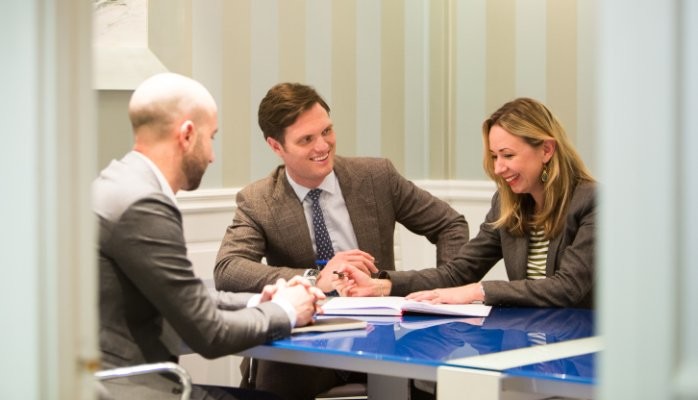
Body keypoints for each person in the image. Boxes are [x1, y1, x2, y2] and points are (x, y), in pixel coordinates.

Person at [213, 82, 469, 400]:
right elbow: (228, 268)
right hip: (308, 338)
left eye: (327, 131)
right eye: (306, 139)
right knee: (276, 373)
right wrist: (313, 280)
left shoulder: (377, 177)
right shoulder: (259, 200)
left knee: (437, 371)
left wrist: (447, 293)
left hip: (383, 332)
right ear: (276, 147)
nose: (323, 146)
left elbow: (450, 225)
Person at [93, 73, 324, 400]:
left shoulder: (118, 182)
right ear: (187, 134)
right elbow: (209, 335)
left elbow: (184, 295)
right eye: (211, 137)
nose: (212, 156)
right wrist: (286, 311)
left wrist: (259, 300)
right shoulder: (143, 204)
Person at [336, 97, 596, 309]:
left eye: (508, 155)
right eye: (494, 156)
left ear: (547, 150)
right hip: (530, 336)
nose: (498, 168)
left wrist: (477, 291)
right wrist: (381, 285)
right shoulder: (507, 205)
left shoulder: (592, 202)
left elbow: (568, 287)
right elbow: (457, 273)